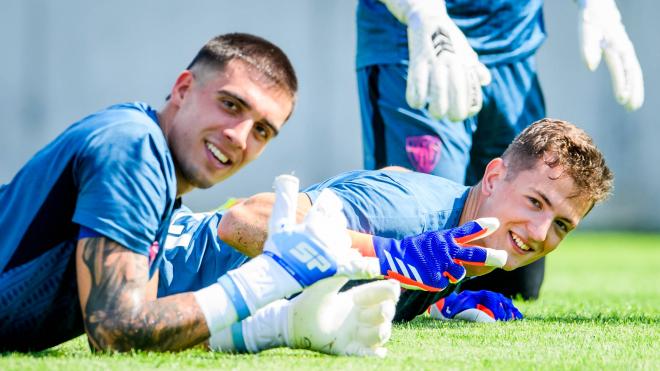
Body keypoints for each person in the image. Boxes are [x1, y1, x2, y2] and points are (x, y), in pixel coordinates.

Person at [0, 33, 398, 355]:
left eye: (262, 130)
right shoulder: (134, 149)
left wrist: (280, 326)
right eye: (230, 105)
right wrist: (272, 276)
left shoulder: (158, 169)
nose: (239, 137)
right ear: (183, 88)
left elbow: (143, 318)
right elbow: (114, 334)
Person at [353, 0, 642, 299]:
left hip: (513, 44)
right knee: (420, 245)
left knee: (514, 286)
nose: (541, 232)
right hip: (421, 42)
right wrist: (421, 12)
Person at [205, 118, 612, 325]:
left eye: (561, 225)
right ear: (492, 177)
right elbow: (244, 220)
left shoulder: (461, 239)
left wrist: (437, 299)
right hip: (167, 273)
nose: (541, 233)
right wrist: (390, 256)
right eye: (535, 201)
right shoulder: (410, 210)